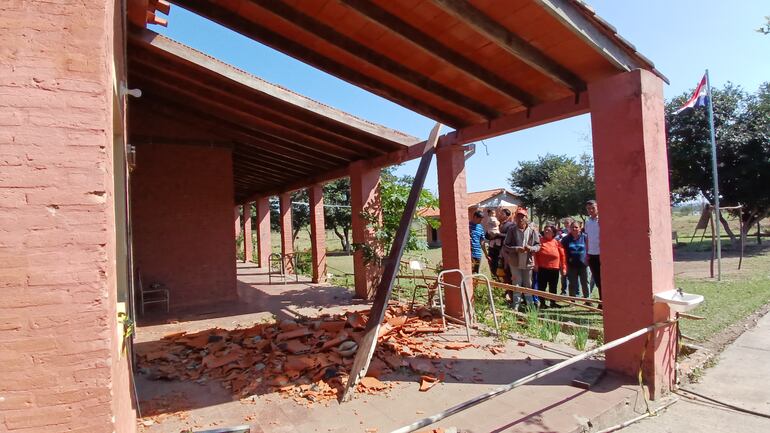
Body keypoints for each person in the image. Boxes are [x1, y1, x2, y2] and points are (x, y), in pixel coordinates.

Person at [502, 208, 540, 310]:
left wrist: (531, 248)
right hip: (515, 261)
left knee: (528, 284)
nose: (520, 218)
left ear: (526, 218)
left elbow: (538, 246)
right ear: (515, 218)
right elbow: (505, 246)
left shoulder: (532, 230)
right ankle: (516, 305)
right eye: (518, 216)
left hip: (528, 262)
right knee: (516, 283)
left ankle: (530, 306)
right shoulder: (511, 230)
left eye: (522, 216)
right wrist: (516, 249)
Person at [534, 225, 566, 308]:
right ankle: (542, 303)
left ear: (553, 233)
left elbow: (562, 256)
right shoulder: (539, 241)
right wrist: (536, 264)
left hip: (554, 268)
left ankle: (553, 302)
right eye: (545, 230)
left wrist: (563, 268)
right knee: (542, 286)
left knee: (553, 286)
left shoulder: (556, 242)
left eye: (548, 230)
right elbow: (535, 254)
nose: (546, 232)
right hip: (542, 268)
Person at [561, 221, 590, 299]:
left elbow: (589, 249)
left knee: (585, 283)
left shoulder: (585, 237)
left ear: (580, 228)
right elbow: (562, 251)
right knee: (572, 283)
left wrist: (588, 259)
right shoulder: (566, 239)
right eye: (572, 227)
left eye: (576, 227)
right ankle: (572, 300)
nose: (574, 229)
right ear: (570, 228)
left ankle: (588, 300)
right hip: (571, 265)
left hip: (583, 265)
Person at [584, 200, 602, 301]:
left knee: (603, 279)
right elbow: (587, 239)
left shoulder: (601, 221)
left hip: (601, 254)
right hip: (592, 254)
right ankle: (601, 301)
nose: (591, 210)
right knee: (597, 279)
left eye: (593, 208)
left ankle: (604, 301)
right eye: (588, 209)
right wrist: (587, 254)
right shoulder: (587, 222)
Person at [484, 208, 502, 277]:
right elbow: (496, 223)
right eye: (493, 213)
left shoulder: (489, 219)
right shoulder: (492, 218)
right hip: (493, 235)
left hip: (496, 247)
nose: (495, 214)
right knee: (494, 262)